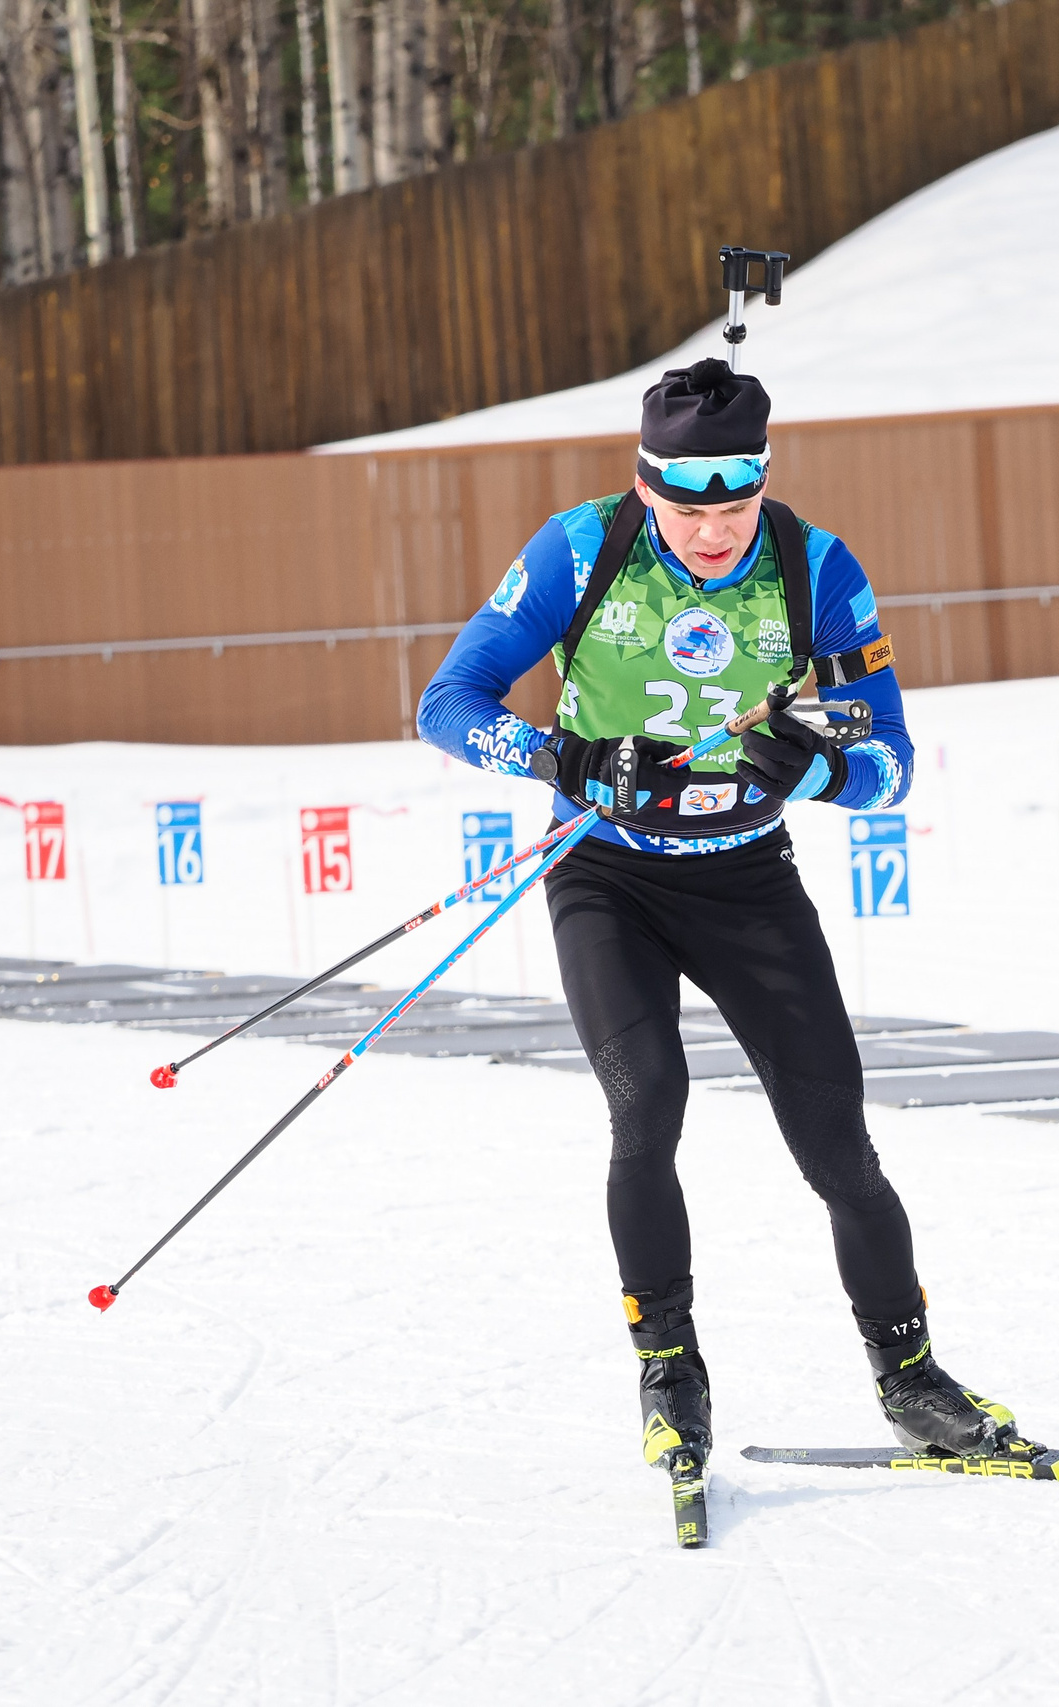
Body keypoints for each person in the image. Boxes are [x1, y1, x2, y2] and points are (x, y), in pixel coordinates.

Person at [416, 358, 1016, 1483]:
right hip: (607, 875)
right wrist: (565, 759)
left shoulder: (816, 567)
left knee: (837, 1143)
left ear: (762, 483)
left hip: (747, 882)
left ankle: (912, 1381)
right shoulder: (579, 550)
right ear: (644, 487)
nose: (710, 533)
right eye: (685, 510)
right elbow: (445, 704)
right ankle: (669, 1374)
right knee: (647, 1106)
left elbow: (890, 762)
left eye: (733, 507)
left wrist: (815, 772)